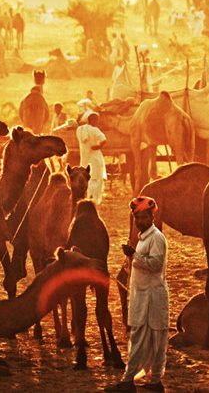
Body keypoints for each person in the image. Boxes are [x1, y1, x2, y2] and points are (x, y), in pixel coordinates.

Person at [105, 197, 167, 393]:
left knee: (153, 339)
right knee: (139, 337)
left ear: (152, 217)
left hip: (153, 296)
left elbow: (155, 265)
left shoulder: (156, 238)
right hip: (141, 296)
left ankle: (139, 380)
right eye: (137, 218)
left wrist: (134, 256)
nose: (140, 221)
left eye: (144, 217)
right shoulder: (142, 239)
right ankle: (141, 380)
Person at [76, 112, 107, 205]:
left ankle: (87, 196)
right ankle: (94, 199)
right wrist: (98, 146)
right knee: (96, 178)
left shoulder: (80, 130)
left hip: (85, 158)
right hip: (95, 158)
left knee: (87, 178)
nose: (98, 122)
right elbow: (103, 140)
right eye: (97, 120)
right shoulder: (95, 130)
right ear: (92, 120)